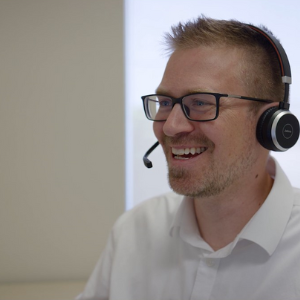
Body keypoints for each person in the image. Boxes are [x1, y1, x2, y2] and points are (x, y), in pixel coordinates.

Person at [77, 16, 300, 300]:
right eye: (166, 103)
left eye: (201, 103)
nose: (170, 126)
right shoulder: (134, 231)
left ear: (271, 123)